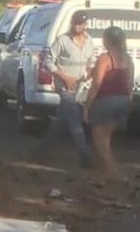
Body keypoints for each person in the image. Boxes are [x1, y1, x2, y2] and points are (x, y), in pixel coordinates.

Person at [46, 12, 96, 167]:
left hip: (81, 87)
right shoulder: (62, 40)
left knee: (62, 120)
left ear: (85, 25)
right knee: (75, 121)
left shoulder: (89, 41)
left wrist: (89, 70)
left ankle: (42, 150)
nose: (77, 26)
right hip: (65, 86)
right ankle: (85, 155)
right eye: (75, 23)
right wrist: (65, 77)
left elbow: (92, 60)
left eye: (80, 24)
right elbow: (48, 61)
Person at [84, 26, 134, 177]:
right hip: (123, 100)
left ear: (106, 40)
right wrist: (127, 103)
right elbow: (130, 85)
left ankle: (116, 173)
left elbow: (96, 85)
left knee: (99, 141)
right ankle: (104, 177)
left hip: (106, 101)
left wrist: (87, 106)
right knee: (106, 140)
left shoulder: (105, 58)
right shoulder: (128, 59)